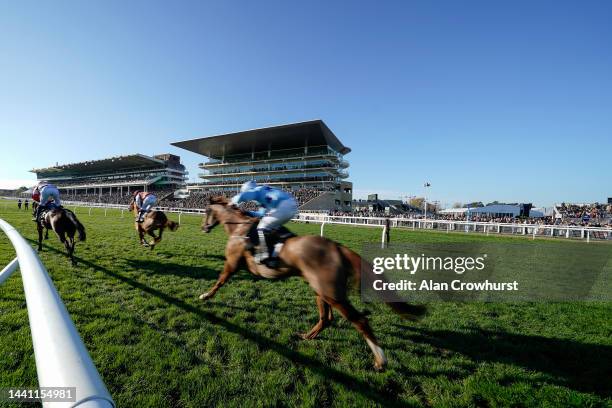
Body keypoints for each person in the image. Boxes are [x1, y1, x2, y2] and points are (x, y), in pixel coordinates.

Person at [230, 181, 298, 265]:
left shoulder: (257, 190)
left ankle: (265, 254)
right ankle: (278, 249)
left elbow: (244, 195)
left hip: (283, 206)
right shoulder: (263, 193)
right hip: (291, 205)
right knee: (273, 227)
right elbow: (261, 214)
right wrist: (247, 212)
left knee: (261, 227)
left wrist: (232, 201)